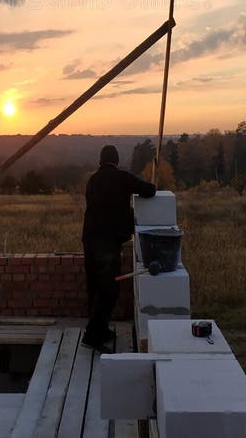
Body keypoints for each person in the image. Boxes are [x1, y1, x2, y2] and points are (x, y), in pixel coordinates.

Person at [81, 144, 156, 351]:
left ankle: (101, 329)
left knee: (95, 286)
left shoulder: (93, 180)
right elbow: (149, 191)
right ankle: (91, 336)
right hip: (107, 242)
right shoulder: (122, 178)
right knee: (108, 290)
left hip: (89, 239)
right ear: (116, 160)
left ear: (100, 160)